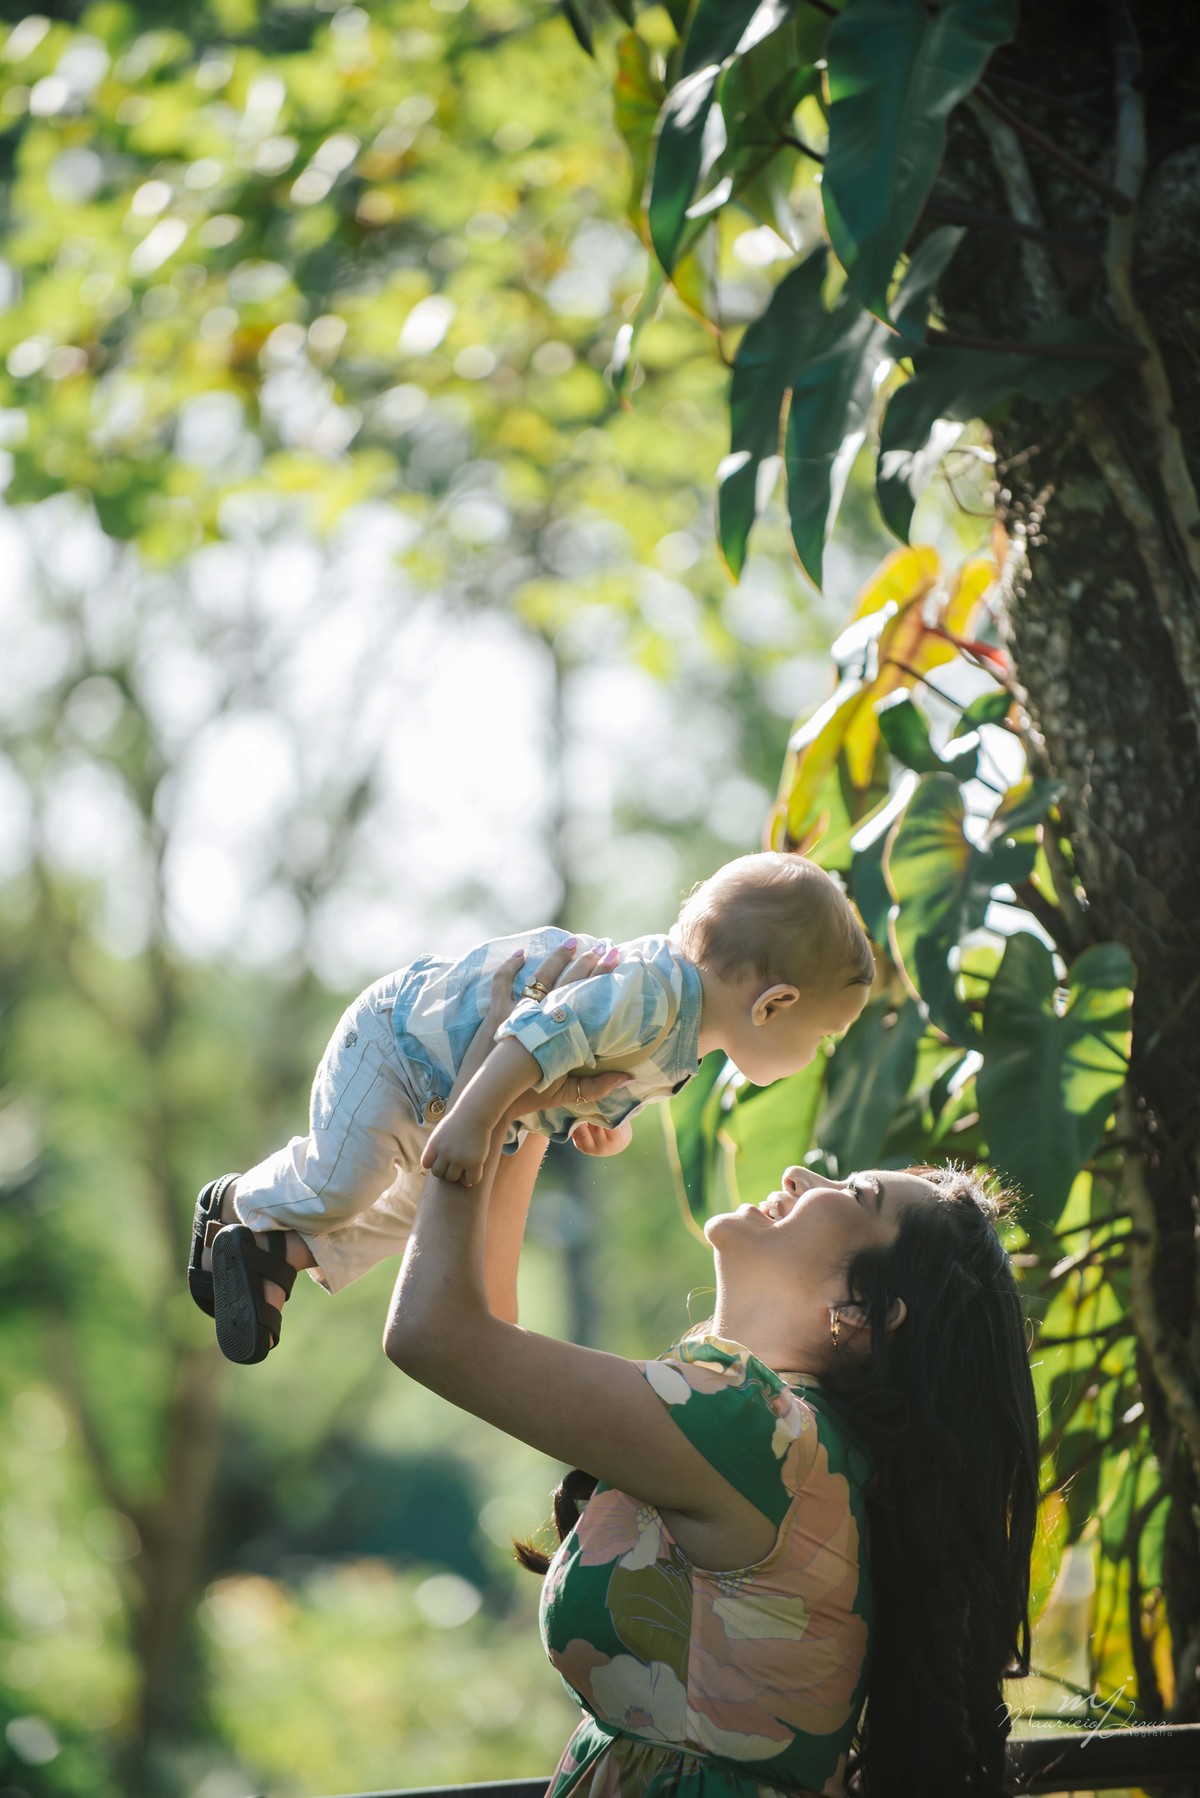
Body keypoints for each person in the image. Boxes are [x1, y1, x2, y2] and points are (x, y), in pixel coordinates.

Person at [385, 939, 1040, 1798]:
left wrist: (483, 1087)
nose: (802, 1173)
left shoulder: (754, 1431)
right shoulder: (792, 1444)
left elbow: (437, 1334)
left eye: (856, 1196)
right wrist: (533, 1103)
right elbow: (489, 1337)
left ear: (864, 1313)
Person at [188, 852, 873, 1364]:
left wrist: (602, 1131)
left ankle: (274, 1252)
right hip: (404, 1049)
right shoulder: (652, 995)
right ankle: (236, 1201)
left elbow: (592, 1080)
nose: (818, 1053)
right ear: (773, 1004)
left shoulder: (684, 1037)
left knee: (414, 1216)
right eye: (823, 1038)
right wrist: (473, 1119)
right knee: (342, 1183)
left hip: (455, 1094)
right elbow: (532, 1034)